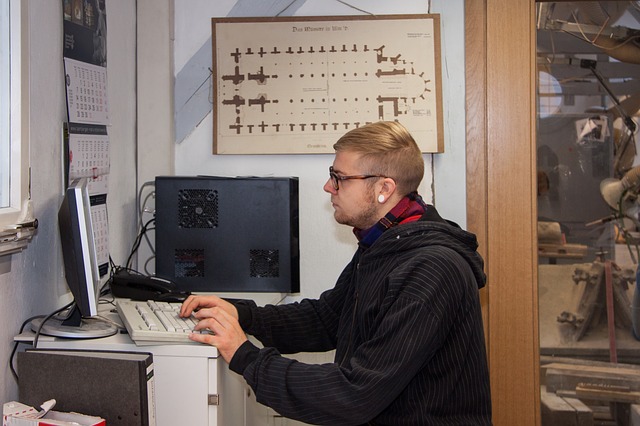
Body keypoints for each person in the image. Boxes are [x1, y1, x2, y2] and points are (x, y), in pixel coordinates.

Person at [180, 121, 492, 425]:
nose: (328, 187)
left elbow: (355, 394)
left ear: (384, 189)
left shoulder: (431, 270)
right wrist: (241, 314)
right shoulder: (385, 243)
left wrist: (245, 355)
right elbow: (327, 318)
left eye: (339, 177)